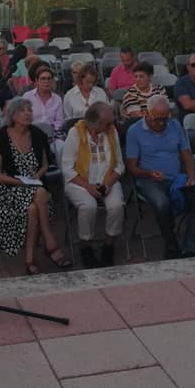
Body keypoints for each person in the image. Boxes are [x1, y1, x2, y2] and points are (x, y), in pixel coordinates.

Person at [125, 96, 195, 259]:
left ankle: (193, 248)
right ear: (146, 113)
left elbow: (186, 154)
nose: (161, 124)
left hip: (176, 179)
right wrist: (149, 173)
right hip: (148, 180)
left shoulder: (174, 125)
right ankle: (172, 248)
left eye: (165, 119)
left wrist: (191, 177)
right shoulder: (134, 131)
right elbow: (132, 167)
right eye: (157, 119)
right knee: (162, 203)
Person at [0, 98, 71, 273]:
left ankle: (30, 260)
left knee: (33, 207)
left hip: (33, 185)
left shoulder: (37, 134)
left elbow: (45, 165)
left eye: (29, 110)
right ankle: (50, 242)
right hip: (9, 189)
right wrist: (21, 182)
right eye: (22, 110)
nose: (27, 113)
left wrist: (36, 176)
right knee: (40, 193)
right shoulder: (2, 137)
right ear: (13, 116)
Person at [62, 102, 124, 268]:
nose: (112, 125)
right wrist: (88, 187)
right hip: (79, 182)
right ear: (97, 123)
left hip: (107, 179)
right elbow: (67, 169)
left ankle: (109, 244)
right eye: (108, 123)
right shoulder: (75, 133)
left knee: (116, 205)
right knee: (88, 206)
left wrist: (108, 183)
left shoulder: (111, 131)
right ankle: (85, 246)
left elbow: (120, 165)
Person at [23, 66, 65, 155]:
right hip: (31, 136)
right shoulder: (27, 97)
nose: (46, 81)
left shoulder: (57, 99)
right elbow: (23, 119)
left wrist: (51, 132)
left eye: (49, 79)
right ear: (37, 80)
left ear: (52, 81)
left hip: (52, 137)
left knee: (62, 148)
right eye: (43, 78)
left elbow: (59, 121)